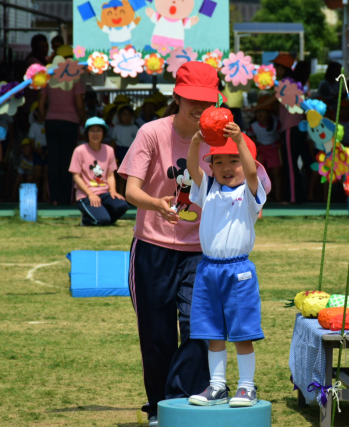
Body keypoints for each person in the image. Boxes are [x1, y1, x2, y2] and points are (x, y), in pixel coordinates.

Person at [117, 61, 220, 426]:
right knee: (157, 334)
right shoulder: (152, 132)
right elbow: (129, 190)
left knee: (198, 327)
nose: (199, 108)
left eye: (207, 101)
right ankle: (159, 409)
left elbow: (248, 179)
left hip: (200, 251)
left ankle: (183, 401)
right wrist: (157, 204)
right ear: (177, 96)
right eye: (192, 99)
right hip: (152, 248)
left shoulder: (220, 136)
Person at [186, 123, 266, 408]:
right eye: (218, 161)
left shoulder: (250, 193)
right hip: (208, 270)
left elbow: (253, 172)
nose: (226, 167)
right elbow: (193, 169)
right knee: (212, 332)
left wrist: (239, 141)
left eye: (234, 161)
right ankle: (218, 386)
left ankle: (247, 387)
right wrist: (197, 142)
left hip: (238, 272)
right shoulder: (207, 189)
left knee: (242, 332)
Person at [246, 53, 306, 204]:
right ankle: (295, 196)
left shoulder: (286, 82)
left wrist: (253, 110)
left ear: (283, 68)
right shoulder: (292, 82)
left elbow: (272, 99)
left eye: (277, 67)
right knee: (291, 163)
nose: (275, 70)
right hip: (294, 127)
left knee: (291, 165)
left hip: (291, 127)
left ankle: (293, 198)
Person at [38, 45, 86, 205]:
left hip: (52, 122)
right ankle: (67, 198)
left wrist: (46, 118)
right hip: (70, 122)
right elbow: (79, 104)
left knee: (53, 160)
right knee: (68, 160)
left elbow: (41, 103)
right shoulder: (75, 77)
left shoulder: (50, 76)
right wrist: (82, 119)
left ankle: (54, 199)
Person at [69, 117, 129, 226]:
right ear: (87, 133)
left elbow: (110, 175)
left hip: (104, 193)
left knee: (122, 205)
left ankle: (102, 216)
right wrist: (90, 194)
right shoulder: (79, 151)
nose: (95, 134)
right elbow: (76, 176)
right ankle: (88, 220)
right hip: (85, 195)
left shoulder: (109, 150)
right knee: (103, 221)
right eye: (92, 130)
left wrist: (113, 191)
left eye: (98, 130)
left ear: (103, 133)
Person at [246, 98, 283, 203]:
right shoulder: (253, 126)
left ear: (268, 113)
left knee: (277, 173)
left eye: (263, 112)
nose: (260, 115)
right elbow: (251, 140)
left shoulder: (275, 123)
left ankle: (278, 196)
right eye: (258, 112)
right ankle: (263, 196)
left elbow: (281, 136)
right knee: (260, 173)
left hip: (274, 149)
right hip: (261, 149)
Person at [28, 102, 48, 202]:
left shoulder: (47, 125)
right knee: (36, 176)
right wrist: (37, 150)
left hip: (47, 150)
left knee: (46, 176)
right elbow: (31, 141)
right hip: (37, 150)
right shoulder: (33, 126)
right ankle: (35, 197)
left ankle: (44, 196)